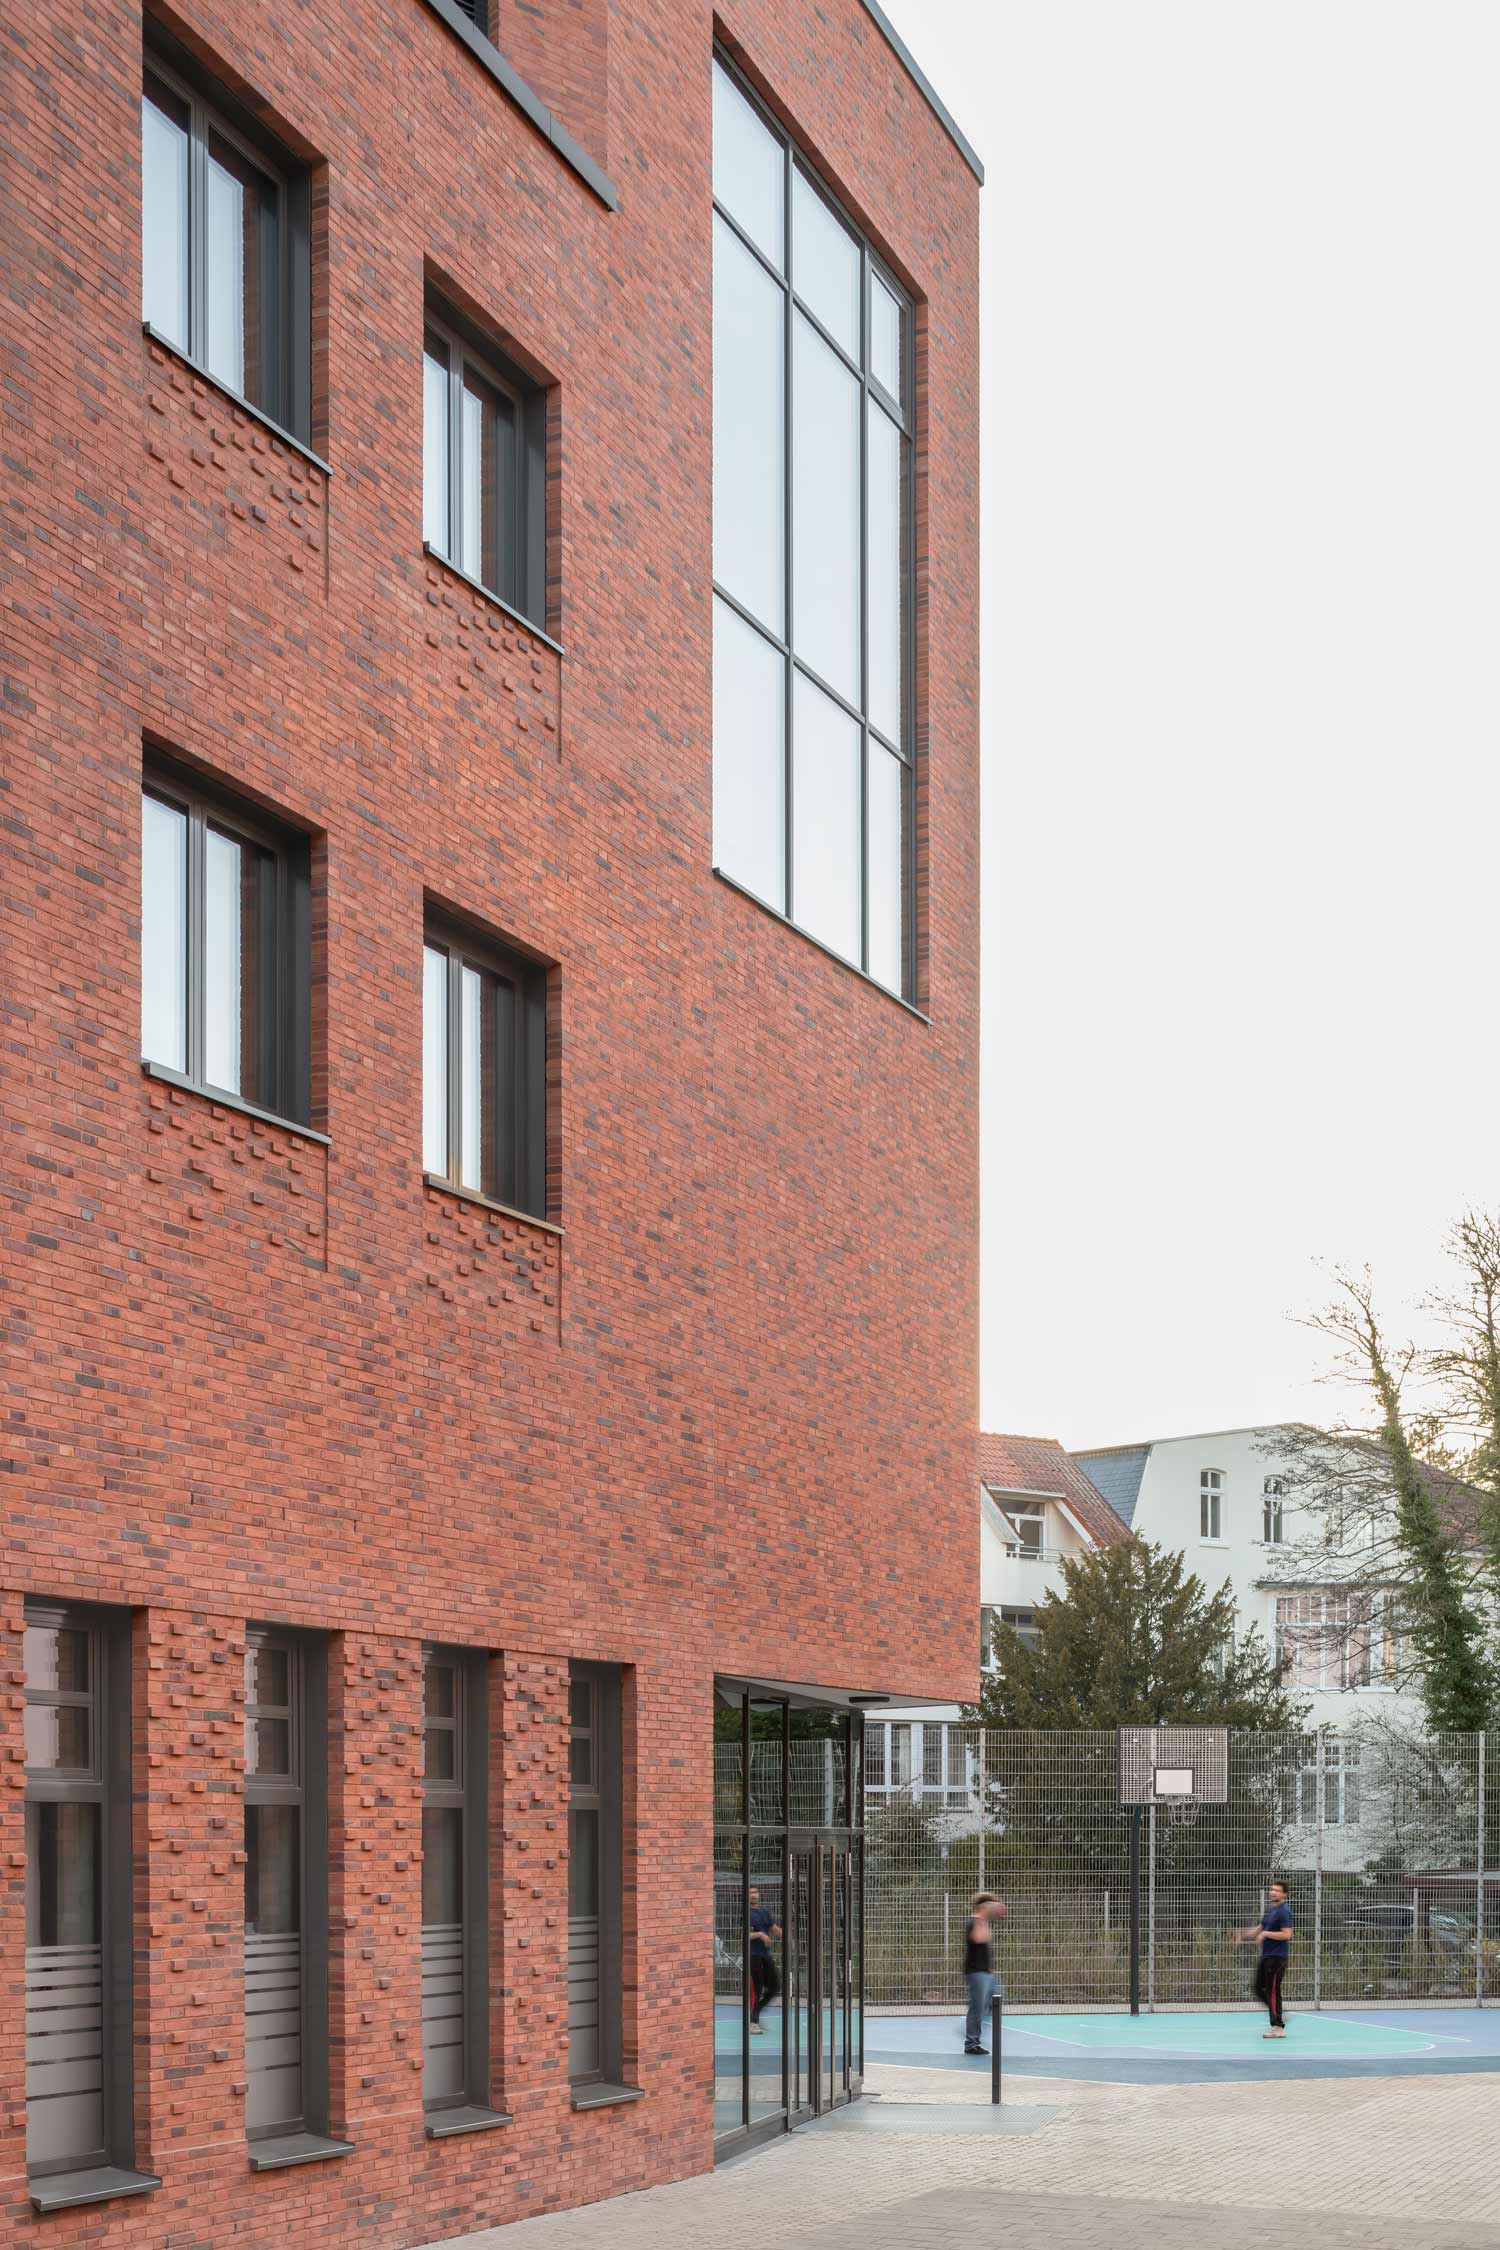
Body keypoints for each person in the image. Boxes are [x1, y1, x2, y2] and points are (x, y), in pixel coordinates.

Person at [1235, 1879, 1293, 2036]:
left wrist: (1266, 1934)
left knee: (1272, 1991)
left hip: (1277, 1958)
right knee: (1258, 1989)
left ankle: (1278, 2027)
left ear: (1284, 1894)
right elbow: (1259, 1929)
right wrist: (1242, 1934)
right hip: (1266, 1957)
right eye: (1272, 1889)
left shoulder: (1284, 1911)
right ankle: (1279, 2013)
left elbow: (1287, 1934)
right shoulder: (1270, 1910)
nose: (1273, 1892)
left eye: (1277, 1890)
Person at [962, 1889, 1006, 2055]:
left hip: (986, 1972)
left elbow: (985, 1948)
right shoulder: (973, 1922)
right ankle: (971, 2044)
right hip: (976, 1972)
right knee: (977, 2007)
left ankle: (972, 2028)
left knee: (997, 1998)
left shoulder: (983, 1921)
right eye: (990, 1904)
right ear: (982, 1906)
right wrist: (983, 1917)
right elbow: (979, 1939)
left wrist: (991, 1968)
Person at [748, 1884, 781, 2035]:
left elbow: (774, 1928)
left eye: (755, 1892)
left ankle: (756, 2012)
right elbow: (745, 1935)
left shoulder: (764, 1912)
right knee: (758, 1987)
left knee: (774, 1987)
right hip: (753, 1956)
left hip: (765, 1955)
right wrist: (760, 1935)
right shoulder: (746, 1913)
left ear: (758, 1894)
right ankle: (753, 2022)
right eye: (750, 1893)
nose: (753, 1895)